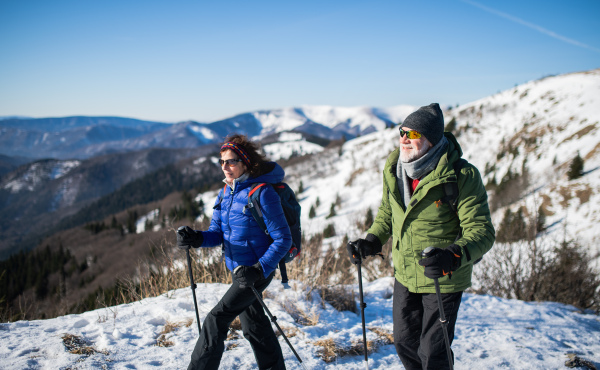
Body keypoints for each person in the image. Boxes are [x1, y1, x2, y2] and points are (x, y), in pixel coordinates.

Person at [347, 103, 495, 369]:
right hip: (405, 273)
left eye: (413, 134)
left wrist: (453, 255)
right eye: (402, 131)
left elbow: (481, 231)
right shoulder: (395, 169)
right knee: (404, 343)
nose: (404, 139)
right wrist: (372, 240)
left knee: (433, 352)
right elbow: (387, 214)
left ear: (432, 140)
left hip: (443, 277)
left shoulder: (461, 175)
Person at [177, 134, 291, 370]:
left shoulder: (262, 193)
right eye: (222, 161)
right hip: (239, 271)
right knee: (254, 326)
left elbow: (283, 239)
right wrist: (196, 237)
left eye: (231, 161)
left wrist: (259, 270)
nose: (225, 166)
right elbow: (217, 233)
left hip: (256, 272)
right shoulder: (226, 193)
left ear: (245, 163)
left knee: (216, 320)